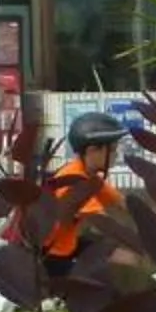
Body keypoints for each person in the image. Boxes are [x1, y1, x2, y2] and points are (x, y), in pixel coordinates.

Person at [41, 110, 129, 281]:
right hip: (52, 257)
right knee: (109, 281)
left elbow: (126, 204)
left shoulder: (88, 175)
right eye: (112, 150)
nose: (116, 155)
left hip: (70, 244)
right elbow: (104, 224)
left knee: (128, 259)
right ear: (93, 150)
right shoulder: (75, 182)